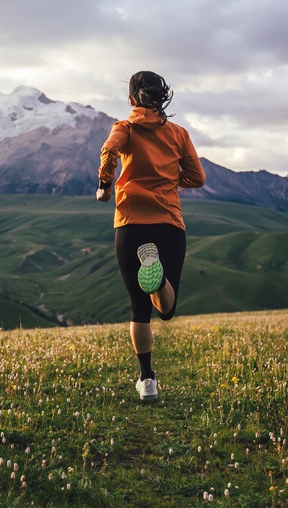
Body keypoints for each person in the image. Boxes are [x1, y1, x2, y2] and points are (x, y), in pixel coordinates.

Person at [96, 71, 206, 401]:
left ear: (132, 99)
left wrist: (105, 185)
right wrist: (170, 180)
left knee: (138, 308)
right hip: (168, 223)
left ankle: (147, 380)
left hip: (130, 224)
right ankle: (157, 280)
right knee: (166, 311)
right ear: (162, 98)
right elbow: (197, 178)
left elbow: (109, 151)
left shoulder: (124, 129)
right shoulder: (179, 134)